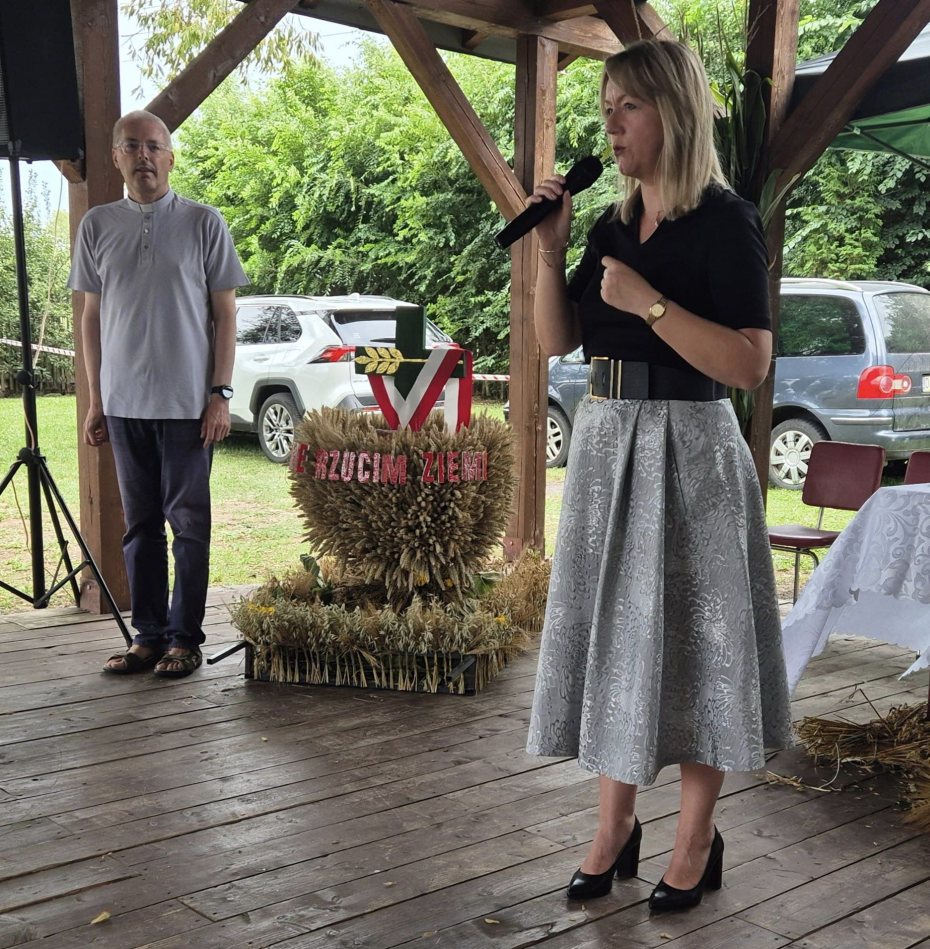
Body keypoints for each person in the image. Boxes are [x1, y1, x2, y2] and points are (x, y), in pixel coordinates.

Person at [525, 40, 792, 913]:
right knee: (618, 635)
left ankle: (695, 838)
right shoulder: (609, 226)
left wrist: (649, 303)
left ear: (671, 113)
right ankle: (613, 829)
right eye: (605, 108)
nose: (610, 124)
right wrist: (550, 250)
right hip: (608, 449)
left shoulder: (726, 221)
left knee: (699, 640)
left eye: (626, 108)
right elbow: (555, 340)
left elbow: (749, 365)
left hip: (693, 450)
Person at [69, 109, 248, 679]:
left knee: (188, 526)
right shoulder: (97, 225)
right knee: (139, 526)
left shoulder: (203, 222)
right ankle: (147, 637)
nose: (142, 155)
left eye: (153, 146)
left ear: (170, 158)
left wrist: (220, 394)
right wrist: (97, 399)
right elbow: (91, 318)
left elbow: (226, 314)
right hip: (124, 405)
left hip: (189, 407)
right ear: (116, 157)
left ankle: (184, 640)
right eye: (131, 145)